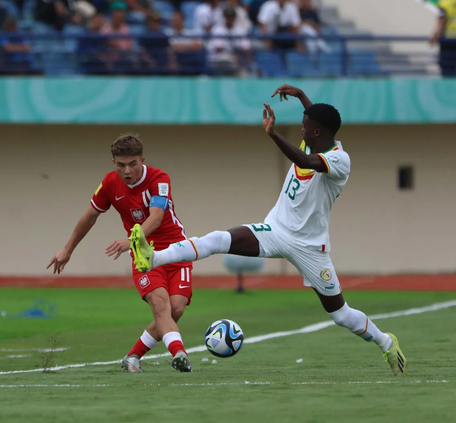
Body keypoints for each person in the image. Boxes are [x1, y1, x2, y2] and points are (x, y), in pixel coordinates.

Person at [130, 85, 408, 377]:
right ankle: (153, 257)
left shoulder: (339, 160)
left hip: (310, 247)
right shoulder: (314, 139)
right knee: (217, 239)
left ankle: (386, 342)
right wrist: (301, 96)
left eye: (304, 126)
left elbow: (304, 162)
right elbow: (315, 125)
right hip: (274, 229)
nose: (301, 128)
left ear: (316, 133)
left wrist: (273, 134)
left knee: (340, 314)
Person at [47, 134, 193, 373]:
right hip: (144, 255)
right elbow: (90, 216)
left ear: (142, 160)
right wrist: (67, 249)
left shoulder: (159, 178)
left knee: (176, 309)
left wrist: (131, 239)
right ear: (114, 162)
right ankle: (180, 354)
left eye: (133, 164)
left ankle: (132, 356)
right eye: (121, 165)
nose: (127, 171)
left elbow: (156, 217)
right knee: (159, 305)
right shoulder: (109, 184)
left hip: (176, 250)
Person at [208, 7, 251, 75]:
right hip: (219, 59)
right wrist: (234, 54)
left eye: (232, 16)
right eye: (228, 16)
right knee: (226, 58)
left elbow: (246, 47)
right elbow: (219, 47)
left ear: (235, 17)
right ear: (224, 17)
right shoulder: (217, 30)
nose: (230, 18)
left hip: (236, 60)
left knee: (245, 73)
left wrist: (239, 53)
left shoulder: (240, 31)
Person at [431, 0, 456, 77]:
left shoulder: (444, 4)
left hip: (448, 41)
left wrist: (435, 36)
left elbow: (441, 22)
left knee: (447, 69)